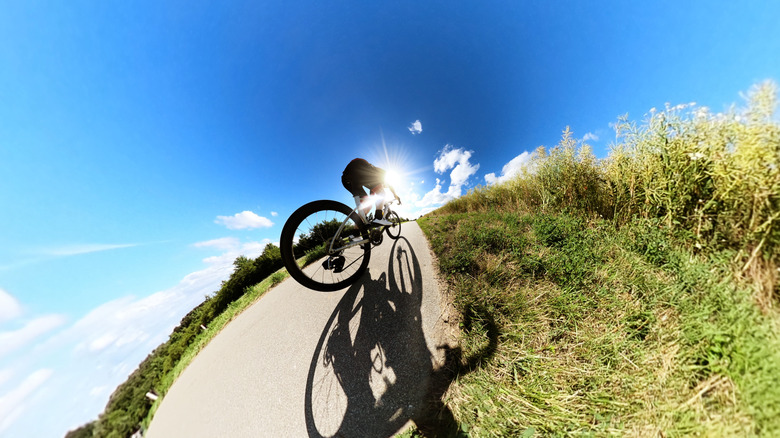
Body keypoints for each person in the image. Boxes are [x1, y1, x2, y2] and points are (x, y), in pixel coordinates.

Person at [341, 158, 401, 226]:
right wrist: (396, 196)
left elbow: (372, 196)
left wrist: (379, 204)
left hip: (346, 178)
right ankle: (379, 218)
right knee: (382, 193)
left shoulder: (372, 182)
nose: (383, 186)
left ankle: (356, 233)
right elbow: (390, 185)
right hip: (360, 167)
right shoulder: (382, 174)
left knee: (367, 206)